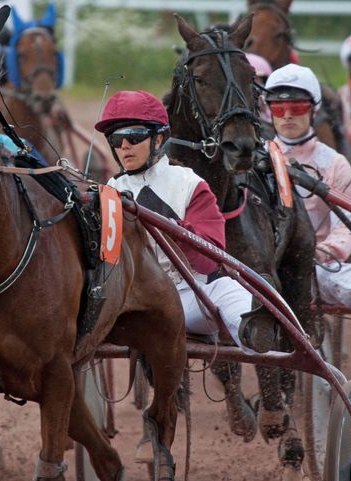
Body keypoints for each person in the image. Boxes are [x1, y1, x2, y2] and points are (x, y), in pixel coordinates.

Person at [95, 90, 256, 352]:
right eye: (116, 138)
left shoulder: (189, 185)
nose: (124, 146)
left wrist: (174, 230)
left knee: (227, 288)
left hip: (185, 299)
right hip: (129, 306)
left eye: (133, 137)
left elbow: (210, 260)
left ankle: (252, 335)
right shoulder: (108, 190)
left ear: (158, 139)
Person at [265, 63, 351, 311]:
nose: (287, 115)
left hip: (315, 265)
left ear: (313, 111)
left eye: (296, 107)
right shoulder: (257, 159)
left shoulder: (334, 163)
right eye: (278, 107)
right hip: (263, 266)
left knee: (337, 275)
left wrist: (326, 251)